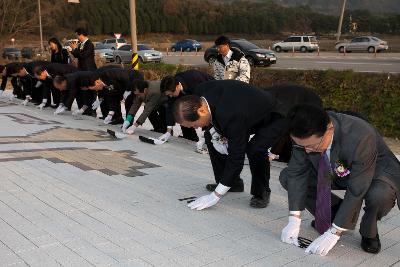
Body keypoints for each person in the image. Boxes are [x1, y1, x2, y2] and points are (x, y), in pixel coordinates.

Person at [279, 104, 400, 256]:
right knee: (287, 176)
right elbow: (297, 174)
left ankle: (368, 232)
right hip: (334, 171)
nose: (306, 150)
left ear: (329, 129)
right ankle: (335, 213)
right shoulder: (303, 132)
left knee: (379, 195)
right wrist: (294, 220)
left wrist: (334, 233)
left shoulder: (360, 135)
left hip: (374, 172)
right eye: (301, 146)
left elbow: (357, 189)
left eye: (311, 146)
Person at [172, 80, 286, 210]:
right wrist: (217, 133)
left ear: (202, 110)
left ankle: (261, 192)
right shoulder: (198, 94)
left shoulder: (231, 116)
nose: (196, 128)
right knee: (211, 137)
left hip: (272, 116)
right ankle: (231, 183)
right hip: (244, 110)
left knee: (255, 149)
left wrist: (215, 196)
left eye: (194, 125)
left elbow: (236, 158)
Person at [159, 69, 214, 144]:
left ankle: (209, 140)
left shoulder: (194, 79)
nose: (170, 96)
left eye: (171, 94)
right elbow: (170, 109)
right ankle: (191, 138)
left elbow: (205, 107)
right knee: (182, 114)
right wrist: (168, 132)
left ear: (178, 86)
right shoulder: (171, 89)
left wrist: (205, 134)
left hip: (210, 94)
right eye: (168, 95)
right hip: (192, 96)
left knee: (205, 117)